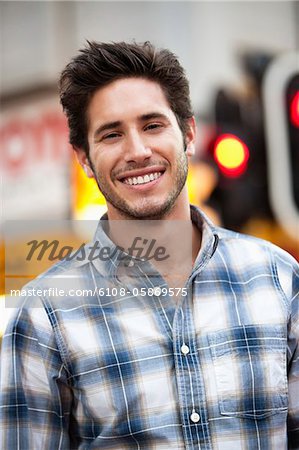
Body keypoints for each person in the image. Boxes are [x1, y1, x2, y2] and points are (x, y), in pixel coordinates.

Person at [0, 41, 298, 450]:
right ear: (84, 159)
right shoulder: (44, 317)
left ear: (188, 134)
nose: (138, 151)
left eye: (153, 125)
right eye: (111, 134)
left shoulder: (279, 280)